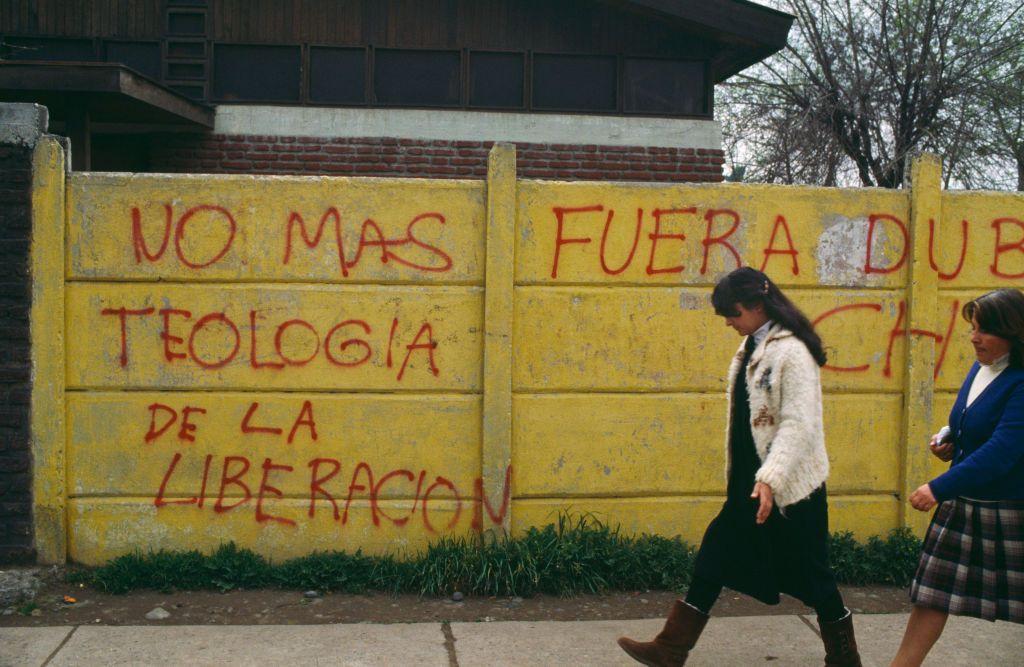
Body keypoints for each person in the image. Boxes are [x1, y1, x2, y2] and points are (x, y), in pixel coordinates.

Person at [617, 267, 861, 667]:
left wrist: (770, 480)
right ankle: (670, 648)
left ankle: (845, 658)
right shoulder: (753, 344)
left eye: (732, 313)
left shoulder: (793, 352)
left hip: (790, 489)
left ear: (757, 305)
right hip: (750, 485)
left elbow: (799, 426)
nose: (729, 322)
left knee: (812, 575)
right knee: (715, 554)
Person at [891, 288, 1024, 667]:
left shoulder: (1021, 381)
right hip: (964, 506)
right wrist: (948, 438)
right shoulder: (982, 367)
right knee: (931, 596)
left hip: (1011, 511)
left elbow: (1002, 450)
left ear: (1013, 333)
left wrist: (937, 487)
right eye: (973, 328)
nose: (974, 338)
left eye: (984, 331)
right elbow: (968, 420)